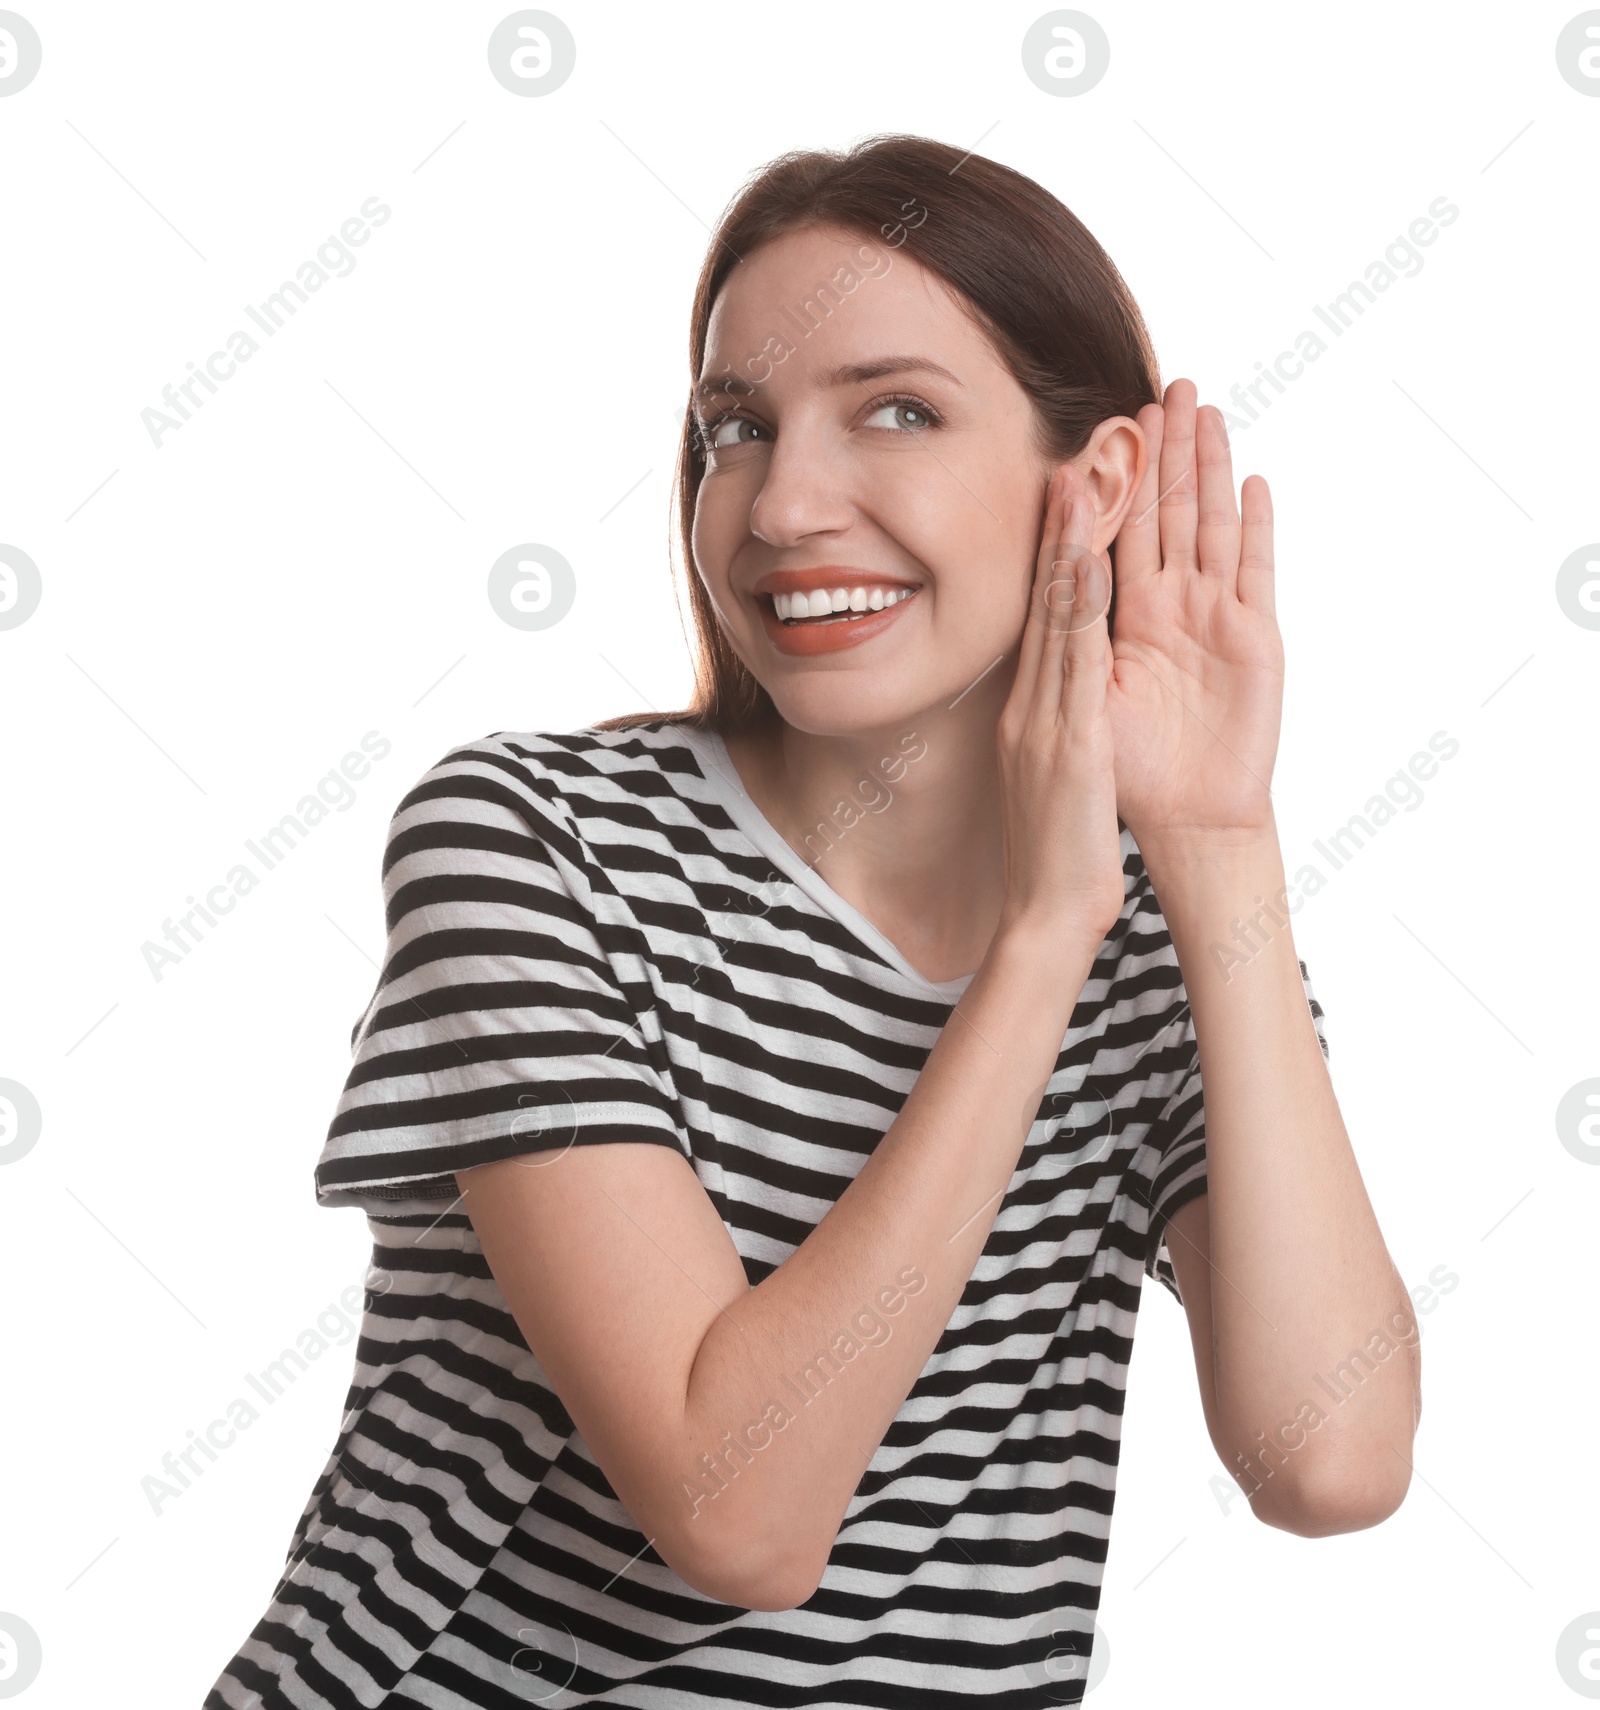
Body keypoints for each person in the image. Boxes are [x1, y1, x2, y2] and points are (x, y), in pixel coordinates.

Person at [208, 134, 1420, 1709]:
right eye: (734, 429)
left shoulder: (1163, 930)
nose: (780, 503)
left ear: (1099, 481)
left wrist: (1219, 838)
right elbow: (738, 1509)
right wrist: (1042, 941)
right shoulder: (530, 842)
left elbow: (1328, 1456)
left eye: (896, 412)